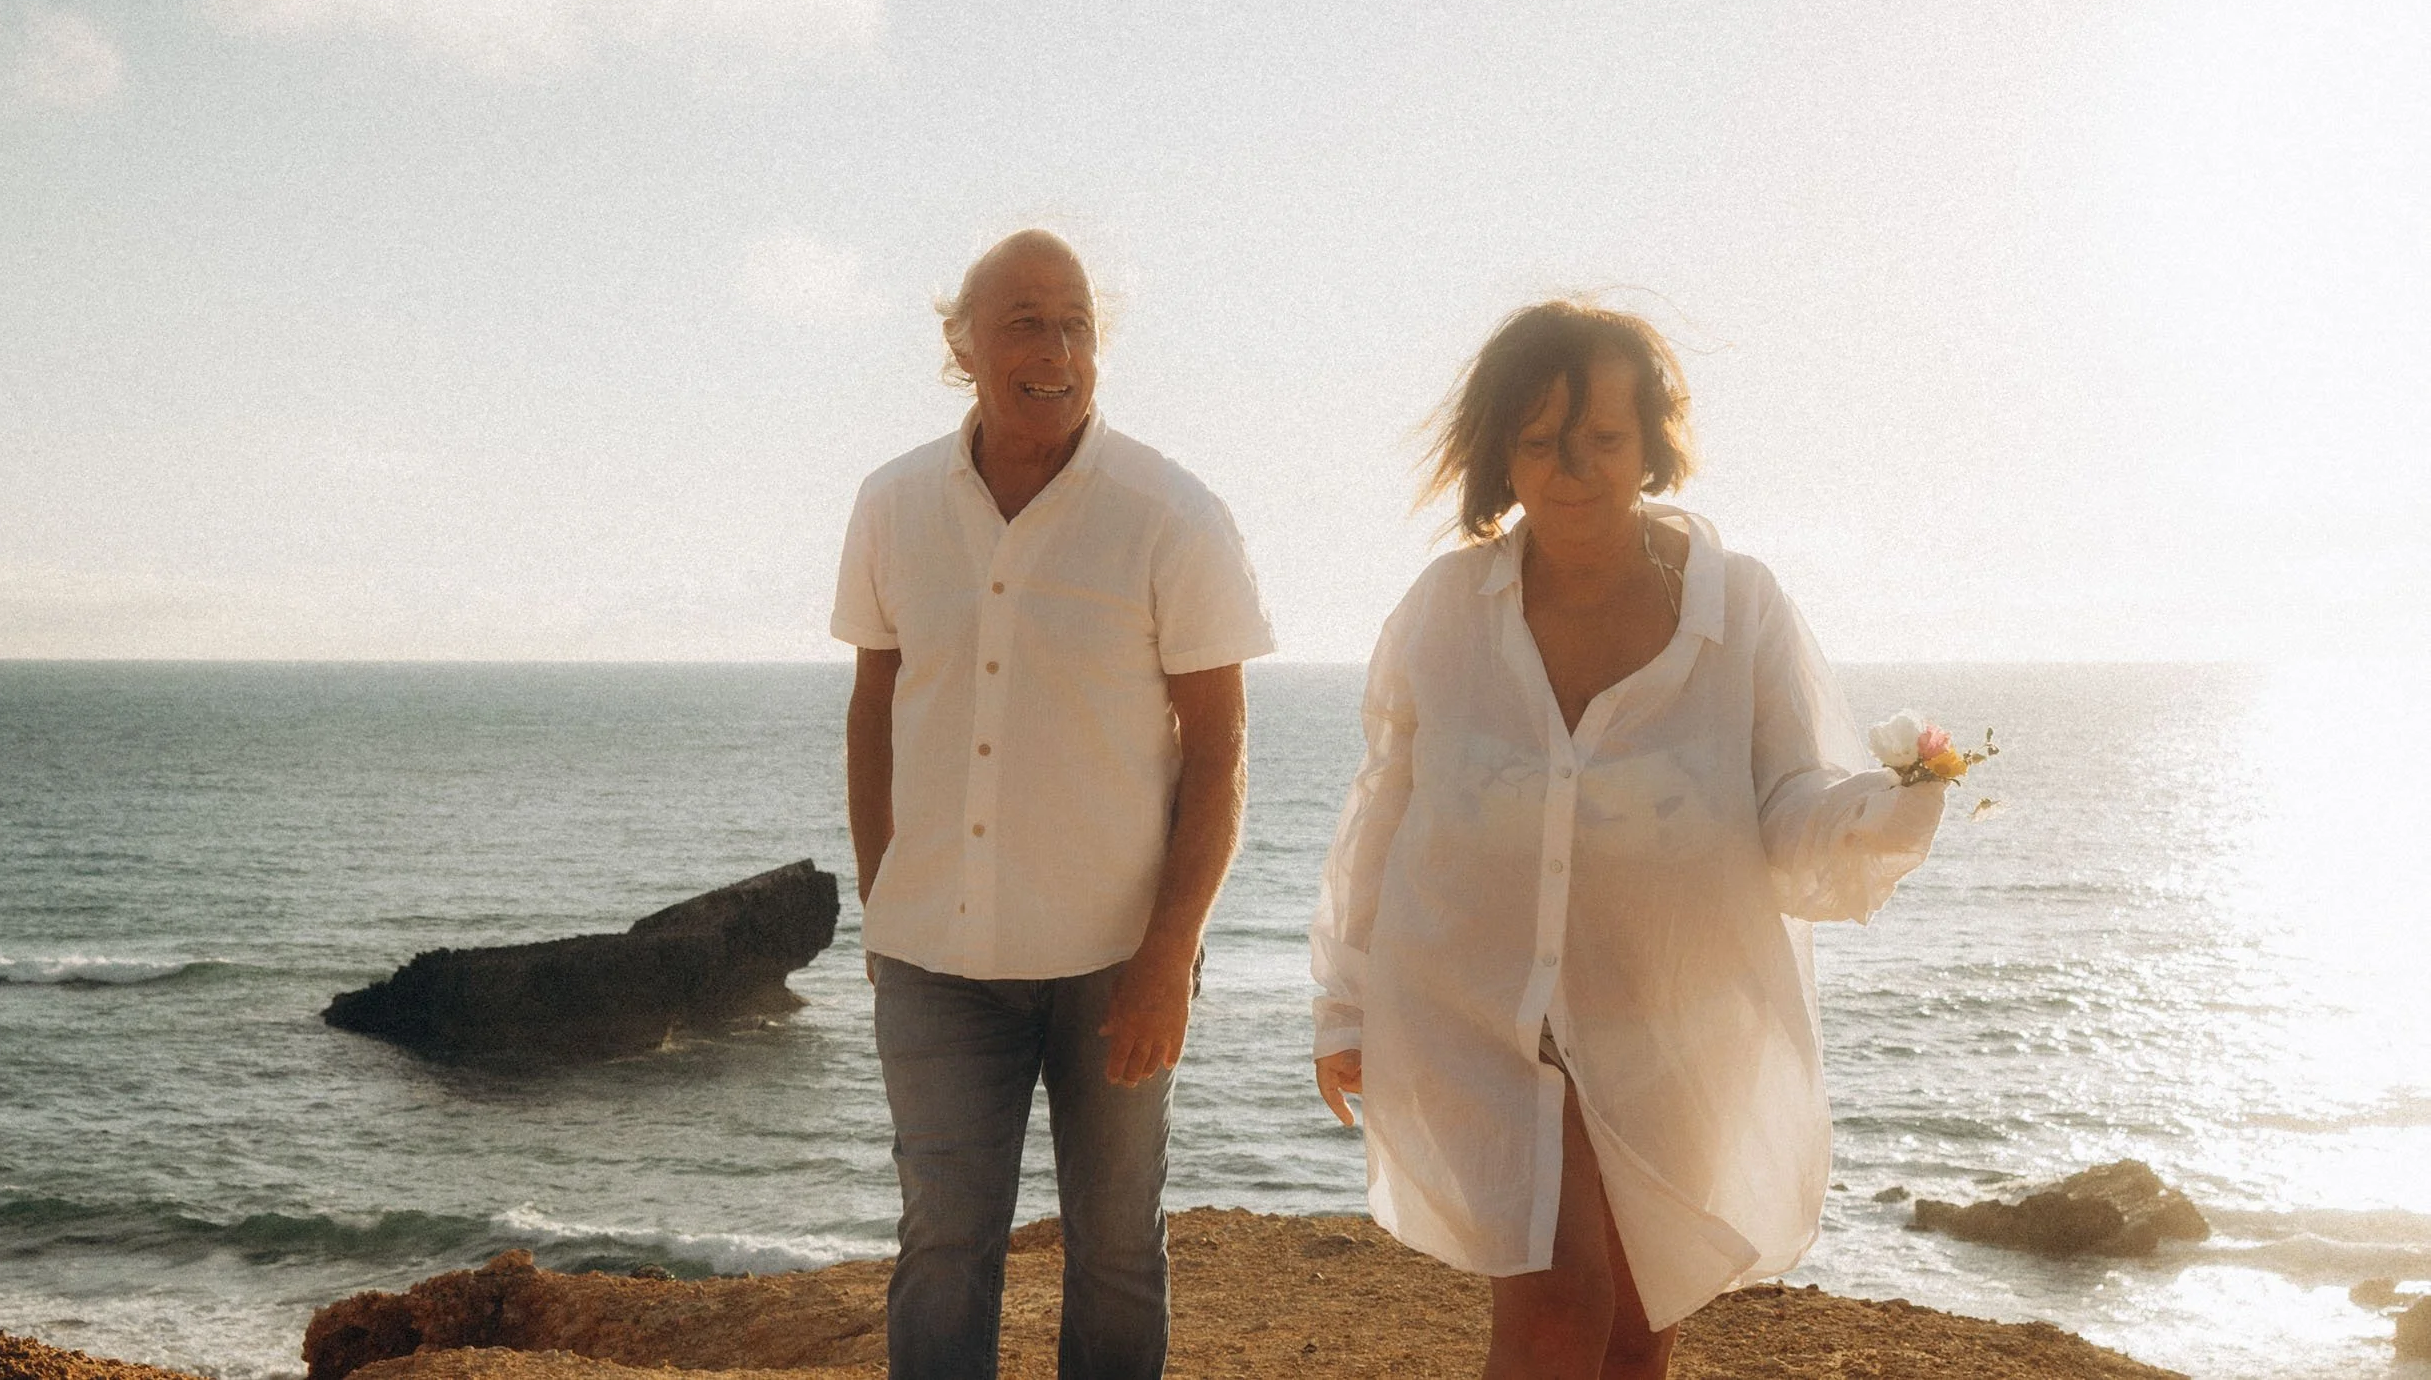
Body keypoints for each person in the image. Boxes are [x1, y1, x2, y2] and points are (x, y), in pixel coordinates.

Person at [1309, 299, 1948, 1380]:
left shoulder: (1736, 607)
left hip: (1672, 1012)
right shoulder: (1445, 611)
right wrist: (1343, 997)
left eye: (1603, 438)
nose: (1572, 470)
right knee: (1558, 1304)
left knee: (1638, 1327)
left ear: (1652, 442)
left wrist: (1889, 808)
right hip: (1478, 1006)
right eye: (1541, 440)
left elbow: (1785, 808)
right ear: (1500, 451)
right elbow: (1385, 806)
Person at [833, 229, 1275, 1380]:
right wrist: (886, 902)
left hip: (1112, 960)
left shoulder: (1171, 512)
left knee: (1118, 1247)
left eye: (1076, 321)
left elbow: (1221, 752)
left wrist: (1168, 954)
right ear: (962, 346)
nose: (1057, 346)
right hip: (934, 955)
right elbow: (874, 708)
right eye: (1025, 319)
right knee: (941, 1243)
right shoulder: (890, 504)